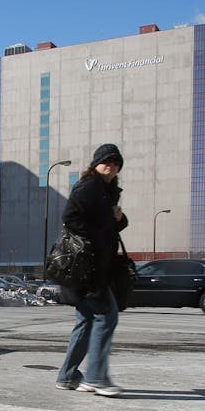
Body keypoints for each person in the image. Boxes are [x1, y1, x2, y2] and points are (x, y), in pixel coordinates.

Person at [55, 144, 130, 397]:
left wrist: (119, 219)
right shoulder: (89, 186)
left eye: (115, 161)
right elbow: (71, 217)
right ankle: (97, 377)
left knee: (87, 320)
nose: (111, 164)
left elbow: (109, 224)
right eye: (106, 160)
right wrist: (96, 238)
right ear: (96, 164)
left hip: (95, 267)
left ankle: (67, 376)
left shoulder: (107, 191)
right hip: (88, 267)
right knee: (107, 316)